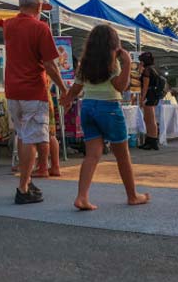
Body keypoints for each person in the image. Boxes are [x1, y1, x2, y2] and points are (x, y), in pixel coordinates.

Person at [61, 24, 150, 211]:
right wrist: (126, 64)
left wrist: (67, 99)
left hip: (87, 107)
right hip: (109, 107)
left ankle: (81, 197)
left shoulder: (85, 64)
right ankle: (132, 195)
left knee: (92, 155)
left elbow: (75, 90)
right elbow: (120, 86)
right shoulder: (112, 63)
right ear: (113, 43)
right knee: (122, 154)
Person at [3, 0, 67, 205]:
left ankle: (27, 180)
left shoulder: (8, 26)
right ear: (38, 7)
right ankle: (23, 188)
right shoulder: (41, 28)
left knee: (22, 135)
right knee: (32, 137)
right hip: (33, 90)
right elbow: (50, 64)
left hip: (13, 90)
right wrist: (63, 88)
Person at [137, 51, 161, 150]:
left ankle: (152, 141)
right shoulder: (153, 69)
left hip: (149, 96)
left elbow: (145, 86)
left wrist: (142, 99)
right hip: (154, 96)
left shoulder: (147, 70)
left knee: (149, 119)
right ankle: (152, 140)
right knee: (151, 119)